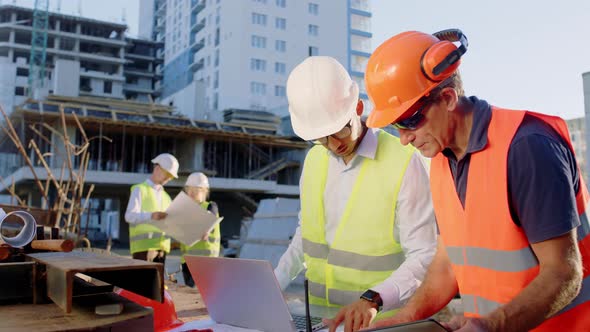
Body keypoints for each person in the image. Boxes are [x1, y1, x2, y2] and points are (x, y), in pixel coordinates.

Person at [364, 29, 590, 331]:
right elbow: (446, 267)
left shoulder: (527, 148)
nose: (404, 139)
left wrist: (488, 327)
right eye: (396, 125)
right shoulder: (441, 160)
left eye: (409, 121)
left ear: (447, 98)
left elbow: (564, 273)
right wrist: (400, 322)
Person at [273, 56, 437, 332]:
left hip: (380, 325)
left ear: (358, 108)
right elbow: (306, 235)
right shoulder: (314, 160)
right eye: (321, 137)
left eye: (340, 131)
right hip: (319, 322)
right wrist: (272, 285)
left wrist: (374, 299)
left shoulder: (405, 162)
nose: (333, 145)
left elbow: (423, 255)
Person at [125, 153, 179, 265]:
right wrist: (151, 215)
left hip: (162, 249)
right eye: (167, 174)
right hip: (143, 249)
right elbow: (129, 216)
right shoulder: (139, 190)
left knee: (158, 283)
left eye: (171, 176)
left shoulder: (167, 197)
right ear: (157, 168)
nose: (169, 178)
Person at [180, 172, 221, 288]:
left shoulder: (211, 206)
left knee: (205, 296)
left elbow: (210, 219)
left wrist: (206, 230)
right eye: (189, 189)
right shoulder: (184, 211)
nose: (191, 193)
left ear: (204, 190)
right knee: (191, 297)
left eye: (196, 190)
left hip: (206, 263)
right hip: (187, 263)